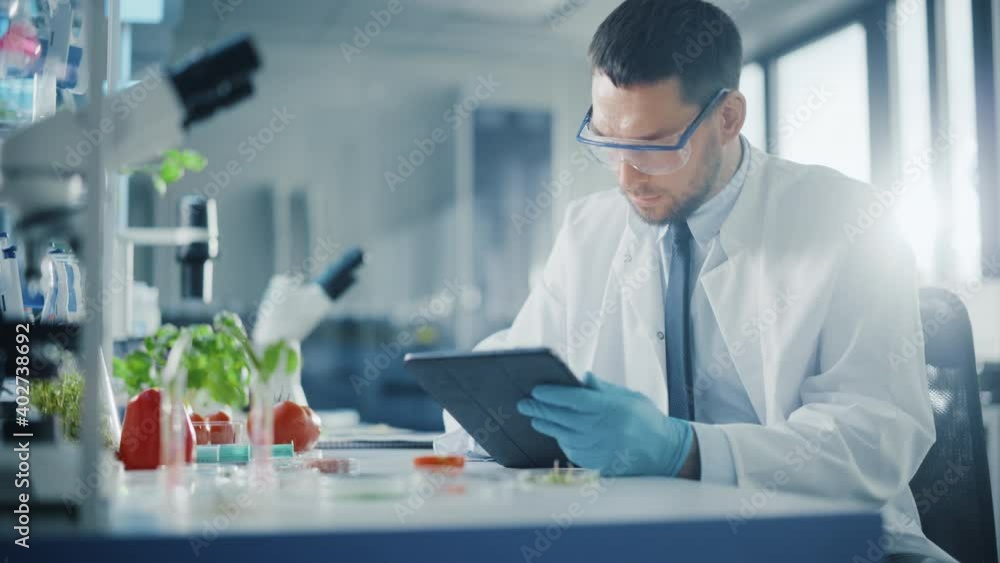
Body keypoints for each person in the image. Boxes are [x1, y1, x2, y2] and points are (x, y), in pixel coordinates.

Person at [443, 0, 952, 561]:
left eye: (654, 145)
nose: (626, 175)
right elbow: (514, 366)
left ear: (728, 117)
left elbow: (874, 440)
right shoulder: (589, 228)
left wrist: (683, 450)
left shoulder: (850, 219)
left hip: (834, 544)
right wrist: (483, 404)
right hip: (649, 537)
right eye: (607, 140)